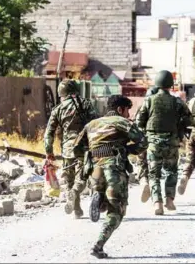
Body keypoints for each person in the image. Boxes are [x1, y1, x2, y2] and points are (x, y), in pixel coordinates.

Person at [73, 95, 147, 259]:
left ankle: (98, 196)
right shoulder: (123, 122)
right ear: (121, 109)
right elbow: (143, 143)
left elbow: (76, 148)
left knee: (105, 198)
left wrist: (89, 156)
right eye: (127, 111)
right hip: (114, 169)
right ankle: (98, 246)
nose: (128, 115)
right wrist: (127, 150)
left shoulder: (91, 124)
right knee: (116, 211)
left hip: (95, 171)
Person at [136, 70, 191, 215]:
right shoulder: (178, 101)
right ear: (170, 84)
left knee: (153, 175)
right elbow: (188, 119)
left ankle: (157, 204)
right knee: (171, 172)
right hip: (172, 143)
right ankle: (169, 200)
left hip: (153, 144)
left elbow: (139, 121)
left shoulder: (148, 100)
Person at [44, 79, 98, 219]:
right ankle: (75, 194)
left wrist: (49, 152)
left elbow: (49, 132)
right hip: (84, 147)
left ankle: (76, 210)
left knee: (69, 178)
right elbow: (95, 124)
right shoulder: (86, 104)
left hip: (68, 148)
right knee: (83, 176)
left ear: (61, 93)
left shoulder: (58, 109)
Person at [136, 86, 159, 203]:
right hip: (155, 142)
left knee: (141, 165)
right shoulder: (159, 108)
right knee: (155, 169)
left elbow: (137, 124)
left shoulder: (142, 107)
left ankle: (144, 182)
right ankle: (158, 194)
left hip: (142, 141)